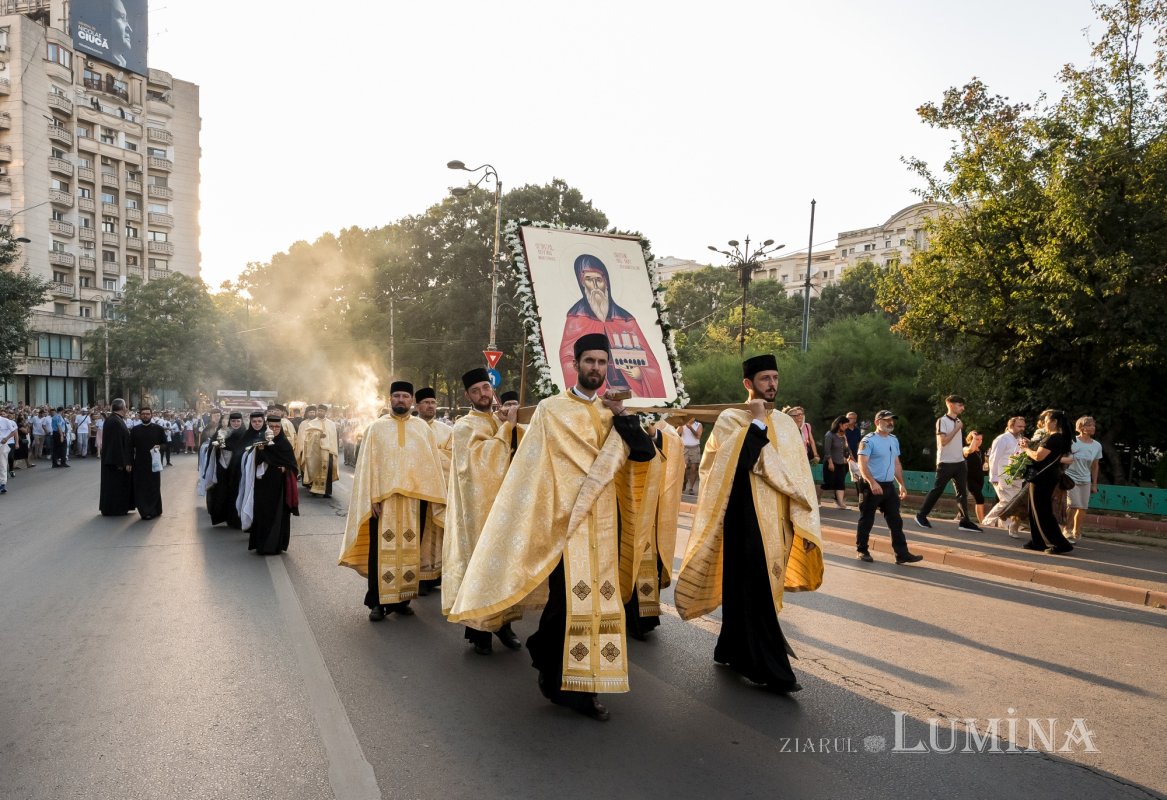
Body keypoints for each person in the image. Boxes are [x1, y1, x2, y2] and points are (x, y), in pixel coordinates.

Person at [449, 333, 657, 721]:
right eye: (589, 361)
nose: (596, 368)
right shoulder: (551, 410)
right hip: (565, 524)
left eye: (601, 362)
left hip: (604, 524)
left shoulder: (614, 412)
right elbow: (531, 472)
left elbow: (643, 453)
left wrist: (624, 416)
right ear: (575, 365)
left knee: (600, 605)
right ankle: (566, 682)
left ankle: (576, 675)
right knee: (568, 605)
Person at [674, 354, 823, 695]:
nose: (772, 384)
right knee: (753, 591)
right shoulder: (731, 419)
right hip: (744, 518)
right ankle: (769, 669)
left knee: (748, 590)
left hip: (778, 524)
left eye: (775, 377)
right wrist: (756, 424)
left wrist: (804, 524)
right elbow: (732, 465)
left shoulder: (786, 424)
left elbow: (798, 477)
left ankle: (729, 648)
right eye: (764, 379)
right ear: (748, 384)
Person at [338, 381, 447, 621]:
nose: (400, 400)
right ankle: (377, 603)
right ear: (390, 400)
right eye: (396, 396)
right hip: (384, 502)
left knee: (411, 551)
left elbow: (432, 466)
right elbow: (368, 466)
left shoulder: (422, 429)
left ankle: (401, 601)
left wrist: (432, 496)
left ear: (411, 401)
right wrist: (371, 498)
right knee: (380, 553)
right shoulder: (376, 428)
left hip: (413, 501)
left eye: (405, 396)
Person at [441, 370, 526, 655]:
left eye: (485, 388)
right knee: (480, 567)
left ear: (492, 389)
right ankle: (480, 633)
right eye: (475, 390)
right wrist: (506, 429)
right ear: (468, 396)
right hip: (478, 512)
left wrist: (512, 426)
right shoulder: (464, 426)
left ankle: (504, 626)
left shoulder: (499, 419)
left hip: (506, 506)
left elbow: (521, 452)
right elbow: (478, 464)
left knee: (505, 566)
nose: (482, 394)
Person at [557, 254, 666, 398]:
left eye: (599, 280)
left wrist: (640, 373)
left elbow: (651, 363)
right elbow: (566, 359)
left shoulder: (625, 319)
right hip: (596, 393)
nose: (595, 286)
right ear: (582, 283)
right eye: (589, 280)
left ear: (606, 283)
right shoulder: (576, 317)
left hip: (631, 393)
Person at [624, 419, 684, 641]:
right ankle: (627, 616)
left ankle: (643, 618)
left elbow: (673, 446)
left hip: (651, 508)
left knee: (648, 562)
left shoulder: (663, 426)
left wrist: (653, 432)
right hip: (627, 500)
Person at [855, 411, 923, 565]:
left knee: (896, 521)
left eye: (892, 420)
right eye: (886, 420)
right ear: (877, 422)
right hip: (871, 486)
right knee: (866, 519)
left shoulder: (893, 439)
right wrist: (872, 482)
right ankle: (862, 550)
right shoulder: (868, 440)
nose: (890, 423)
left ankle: (902, 554)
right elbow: (862, 464)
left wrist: (901, 484)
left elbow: (896, 463)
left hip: (888, 486)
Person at [914, 394, 982, 532]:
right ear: (950, 404)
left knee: (962, 492)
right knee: (937, 490)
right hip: (946, 462)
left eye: (963, 405)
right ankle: (921, 516)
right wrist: (957, 428)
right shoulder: (942, 421)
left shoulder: (958, 421)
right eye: (960, 405)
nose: (962, 408)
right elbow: (943, 442)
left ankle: (964, 521)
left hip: (960, 462)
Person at [414, 387, 453, 595]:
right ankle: (418, 577)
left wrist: (430, 455)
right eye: (426, 402)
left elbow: (453, 458)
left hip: (439, 490)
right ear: (417, 406)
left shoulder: (446, 431)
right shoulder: (411, 427)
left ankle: (435, 575)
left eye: (433, 402)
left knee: (437, 533)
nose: (430, 406)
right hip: (417, 491)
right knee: (418, 532)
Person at [1021, 409, 1075, 554]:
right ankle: (1037, 541)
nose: (1044, 424)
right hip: (1045, 477)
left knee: (1042, 511)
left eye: (1046, 422)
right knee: (1033, 510)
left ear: (1054, 422)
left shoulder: (1054, 438)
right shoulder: (1058, 437)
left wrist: (1026, 449)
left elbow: (1039, 457)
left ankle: (1061, 544)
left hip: (1043, 478)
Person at [245, 414, 300, 555]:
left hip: (279, 487)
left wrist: (285, 468)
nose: (274, 429)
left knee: (278, 516)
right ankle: (262, 545)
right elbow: (252, 462)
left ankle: (275, 545)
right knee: (262, 514)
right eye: (271, 426)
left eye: (277, 427)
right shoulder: (260, 442)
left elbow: (293, 466)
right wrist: (260, 451)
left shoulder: (284, 444)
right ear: (266, 427)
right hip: (262, 485)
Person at [981, 417, 1027, 537]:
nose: (1022, 429)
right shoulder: (1002, 439)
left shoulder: (1021, 439)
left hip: (1017, 475)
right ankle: (988, 521)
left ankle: (1004, 524)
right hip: (1002, 474)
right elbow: (993, 458)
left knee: (1014, 502)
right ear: (1011, 426)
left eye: (1023, 426)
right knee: (1008, 501)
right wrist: (994, 476)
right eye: (1019, 426)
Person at [1065, 416, 1102, 543]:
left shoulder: (1097, 445)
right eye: (1090, 425)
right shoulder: (1072, 441)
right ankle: (1066, 529)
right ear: (1082, 428)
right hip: (1070, 477)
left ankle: (1077, 530)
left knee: (1083, 507)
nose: (1093, 427)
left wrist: (1094, 484)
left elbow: (1095, 466)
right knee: (1073, 505)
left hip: (1085, 479)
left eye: (1093, 425)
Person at [129, 406, 167, 520]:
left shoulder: (159, 429)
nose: (145, 415)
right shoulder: (135, 430)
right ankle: (145, 511)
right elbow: (130, 448)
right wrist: (129, 462)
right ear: (140, 415)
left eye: (147, 414)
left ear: (151, 415)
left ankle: (154, 510)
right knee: (141, 488)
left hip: (154, 464)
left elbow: (166, 444)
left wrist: (160, 446)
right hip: (140, 464)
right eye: (143, 414)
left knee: (154, 487)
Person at [99, 399, 134, 516]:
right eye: (126, 407)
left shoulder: (115, 420)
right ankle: (115, 509)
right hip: (116, 462)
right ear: (123, 408)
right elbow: (116, 445)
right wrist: (122, 463)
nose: (127, 409)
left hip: (115, 460)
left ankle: (117, 507)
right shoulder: (115, 422)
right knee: (116, 486)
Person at [298, 404, 340, 498]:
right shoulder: (312, 423)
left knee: (327, 470)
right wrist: (318, 436)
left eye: (322, 411)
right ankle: (314, 489)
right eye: (319, 411)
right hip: (315, 450)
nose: (320, 412)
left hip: (328, 450)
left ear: (326, 412)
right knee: (315, 468)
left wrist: (333, 450)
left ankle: (327, 491)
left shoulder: (331, 424)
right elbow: (308, 437)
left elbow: (333, 438)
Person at [820, 415, 851, 510]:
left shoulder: (843, 436)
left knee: (840, 483)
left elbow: (846, 449)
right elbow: (827, 450)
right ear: (840, 424)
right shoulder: (829, 435)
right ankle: (816, 499)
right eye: (846, 425)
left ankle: (840, 503)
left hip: (841, 463)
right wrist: (830, 462)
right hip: (831, 463)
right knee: (827, 484)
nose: (847, 427)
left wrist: (847, 457)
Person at [962, 431, 987, 522]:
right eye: (977, 439)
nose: (979, 441)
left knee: (974, 498)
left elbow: (983, 464)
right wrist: (973, 436)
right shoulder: (965, 449)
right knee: (980, 498)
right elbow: (970, 450)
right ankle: (982, 521)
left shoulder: (981, 451)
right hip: (970, 478)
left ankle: (959, 516)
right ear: (971, 440)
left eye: (981, 439)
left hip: (980, 478)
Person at [679, 419, 702, 495]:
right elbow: (677, 434)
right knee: (684, 468)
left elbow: (698, 436)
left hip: (695, 448)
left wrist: (691, 428)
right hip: (684, 448)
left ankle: (691, 488)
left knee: (693, 468)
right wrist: (680, 426)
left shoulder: (698, 424)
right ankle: (684, 482)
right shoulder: (682, 424)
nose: (691, 418)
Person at [0, 411, 16, 493]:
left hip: (2, 445)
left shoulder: (5, 421)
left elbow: (13, 431)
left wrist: (6, 438)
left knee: (2, 464)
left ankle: (2, 484)